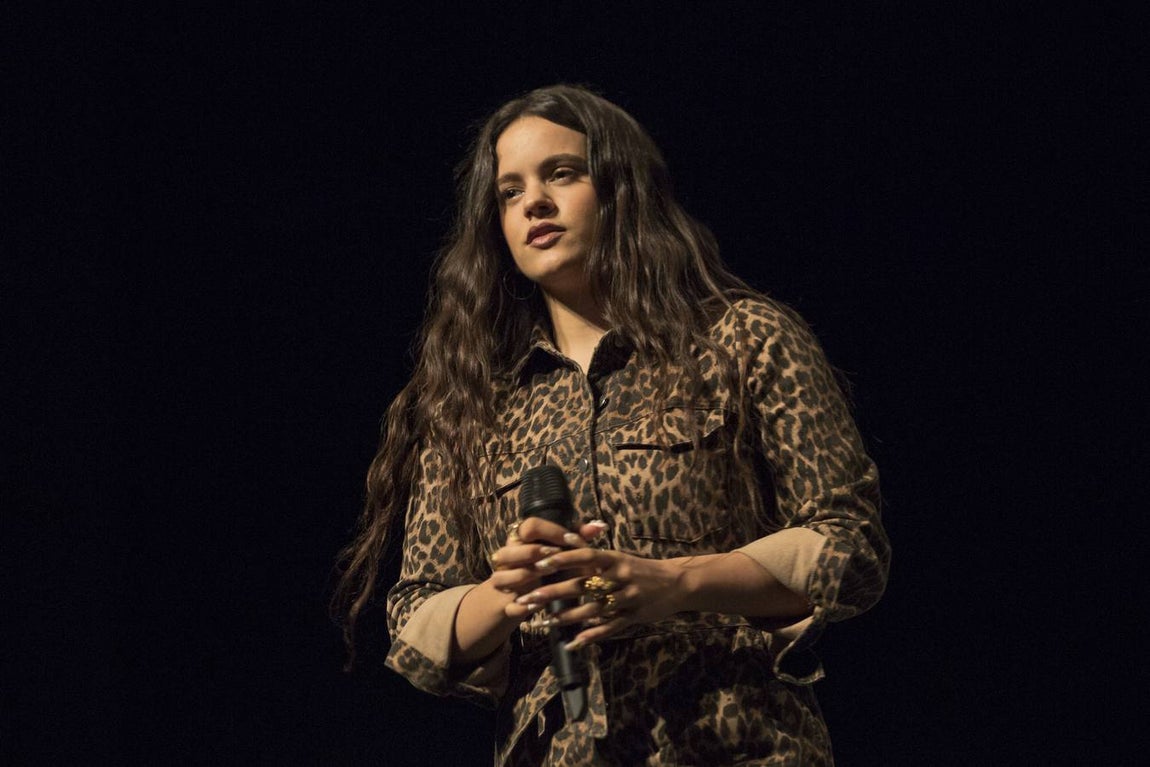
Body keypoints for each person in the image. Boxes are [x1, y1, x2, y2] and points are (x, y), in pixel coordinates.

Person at [333, 84, 890, 766]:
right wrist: (507, 592)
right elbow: (414, 629)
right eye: (509, 191)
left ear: (622, 190)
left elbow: (852, 546)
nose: (533, 201)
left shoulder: (745, 340)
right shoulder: (473, 406)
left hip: (739, 740)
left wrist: (677, 582)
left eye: (560, 173)